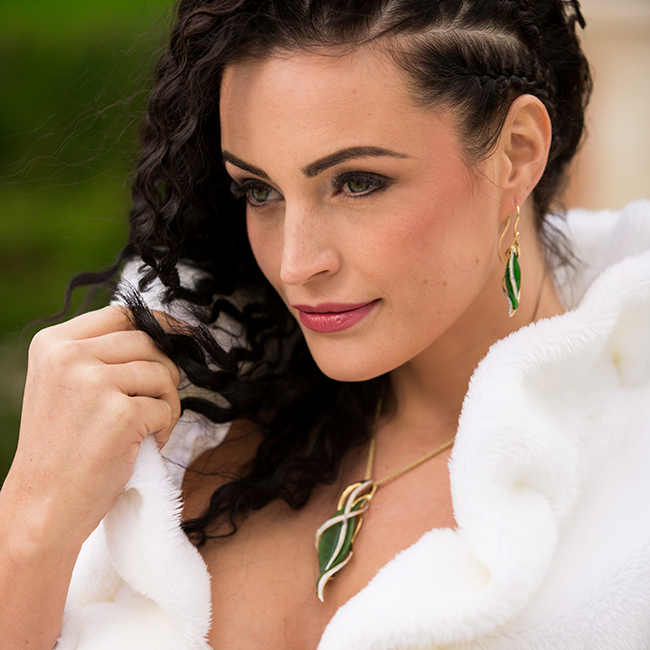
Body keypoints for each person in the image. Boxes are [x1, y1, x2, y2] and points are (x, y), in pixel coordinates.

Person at [2, 0, 650, 648]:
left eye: (357, 182)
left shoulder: (631, 486)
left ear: (517, 152)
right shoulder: (185, 441)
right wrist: (31, 528)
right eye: (259, 191)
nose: (295, 264)